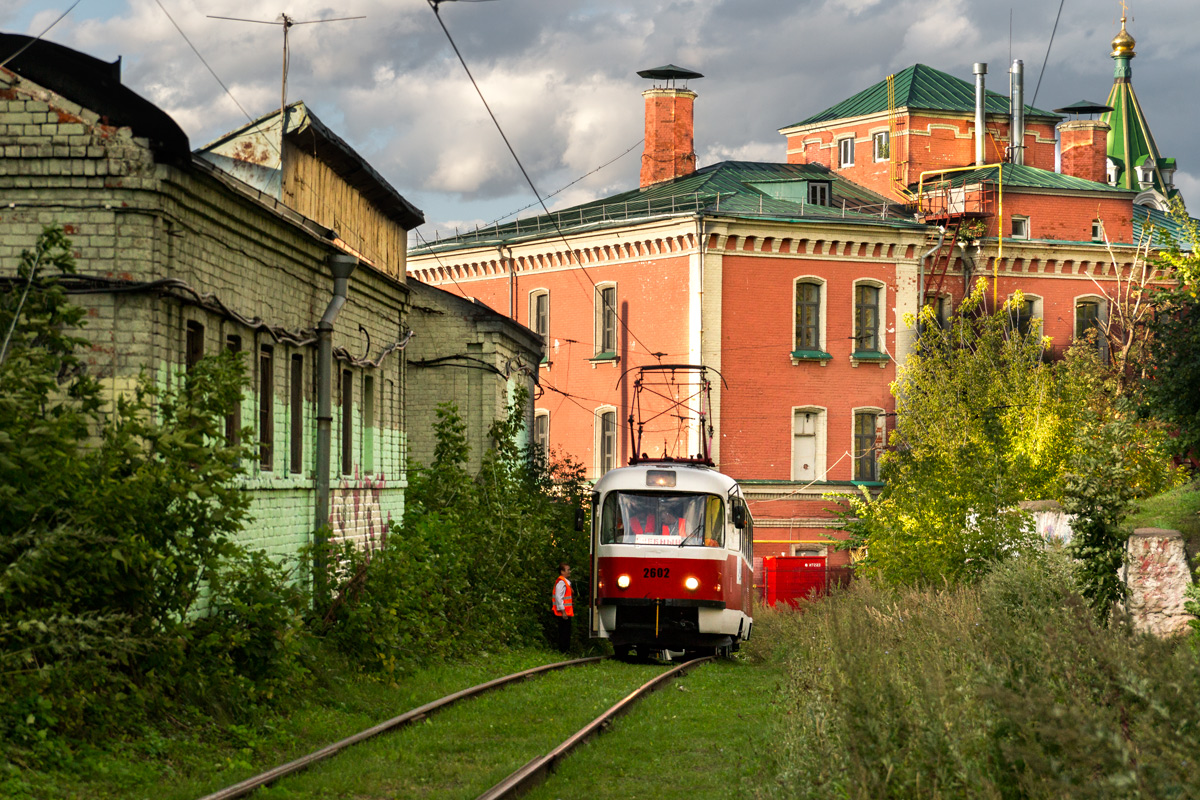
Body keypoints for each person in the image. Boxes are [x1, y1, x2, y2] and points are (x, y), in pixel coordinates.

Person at [551, 562, 573, 652]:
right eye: (567, 570)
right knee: (564, 632)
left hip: (567, 612)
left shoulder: (565, 582)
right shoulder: (561, 582)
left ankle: (565, 650)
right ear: (562, 572)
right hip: (563, 613)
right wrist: (563, 611)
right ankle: (563, 650)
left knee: (566, 632)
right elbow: (558, 597)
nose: (569, 572)